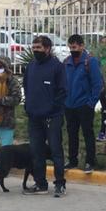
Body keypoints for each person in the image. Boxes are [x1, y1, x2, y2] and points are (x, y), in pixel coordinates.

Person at [23, 35, 68, 198]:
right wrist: (28, 107)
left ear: (47, 49)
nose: (36, 51)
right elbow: (26, 87)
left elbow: (62, 91)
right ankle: (40, 183)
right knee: (36, 151)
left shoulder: (57, 67)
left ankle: (60, 184)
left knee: (56, 151)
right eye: (34, 48)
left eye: (39, 48)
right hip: (34, 117)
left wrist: (52, 109)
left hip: (52, 117)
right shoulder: (31, 66)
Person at [64, 34, 104, 173]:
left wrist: (91, 103)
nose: (72, 49)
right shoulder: (67, 62)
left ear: (82, 46)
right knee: (72, 134)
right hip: (69, 105)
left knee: (88, 133)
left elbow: (97, 84)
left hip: (84, 105)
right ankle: (72, 160)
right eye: (70, 47)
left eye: (74, 47)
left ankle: (90, 162)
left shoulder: (90, 62)